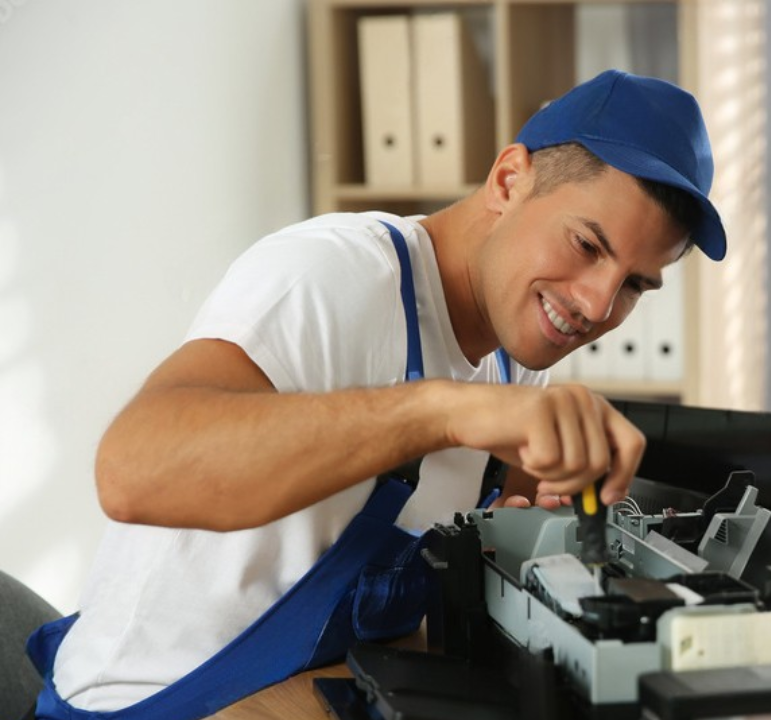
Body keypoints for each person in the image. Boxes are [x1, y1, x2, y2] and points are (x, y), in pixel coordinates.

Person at [25, 69, 725, 719]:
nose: (600, 305)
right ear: (509, 180)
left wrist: (533, 526)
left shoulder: (515, 354)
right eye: (586, 245)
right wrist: (445, 411)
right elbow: (132, 470)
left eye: (635, 283)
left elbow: (488, 515)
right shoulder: (335, 275)